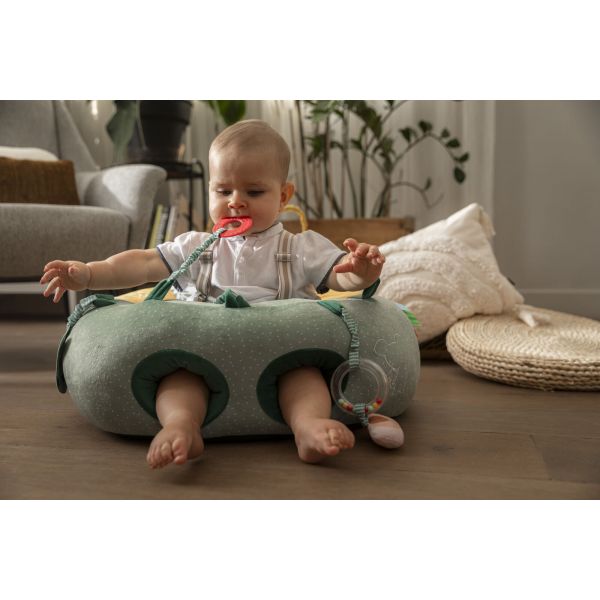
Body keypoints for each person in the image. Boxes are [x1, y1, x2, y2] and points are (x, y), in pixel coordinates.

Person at [41, 119, 402, 469]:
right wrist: (90, 273)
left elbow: (340, 276)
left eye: (254, 192)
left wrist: (360, 271)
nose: (236, 202)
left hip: (279, 349)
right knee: (180, 380)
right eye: (223, 191)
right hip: (206, 350)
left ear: (282, 196)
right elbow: (144, 263)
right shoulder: (196, 246)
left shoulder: (299, 247)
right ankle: (181, 426)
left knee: (304, 377)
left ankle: (308, 425)